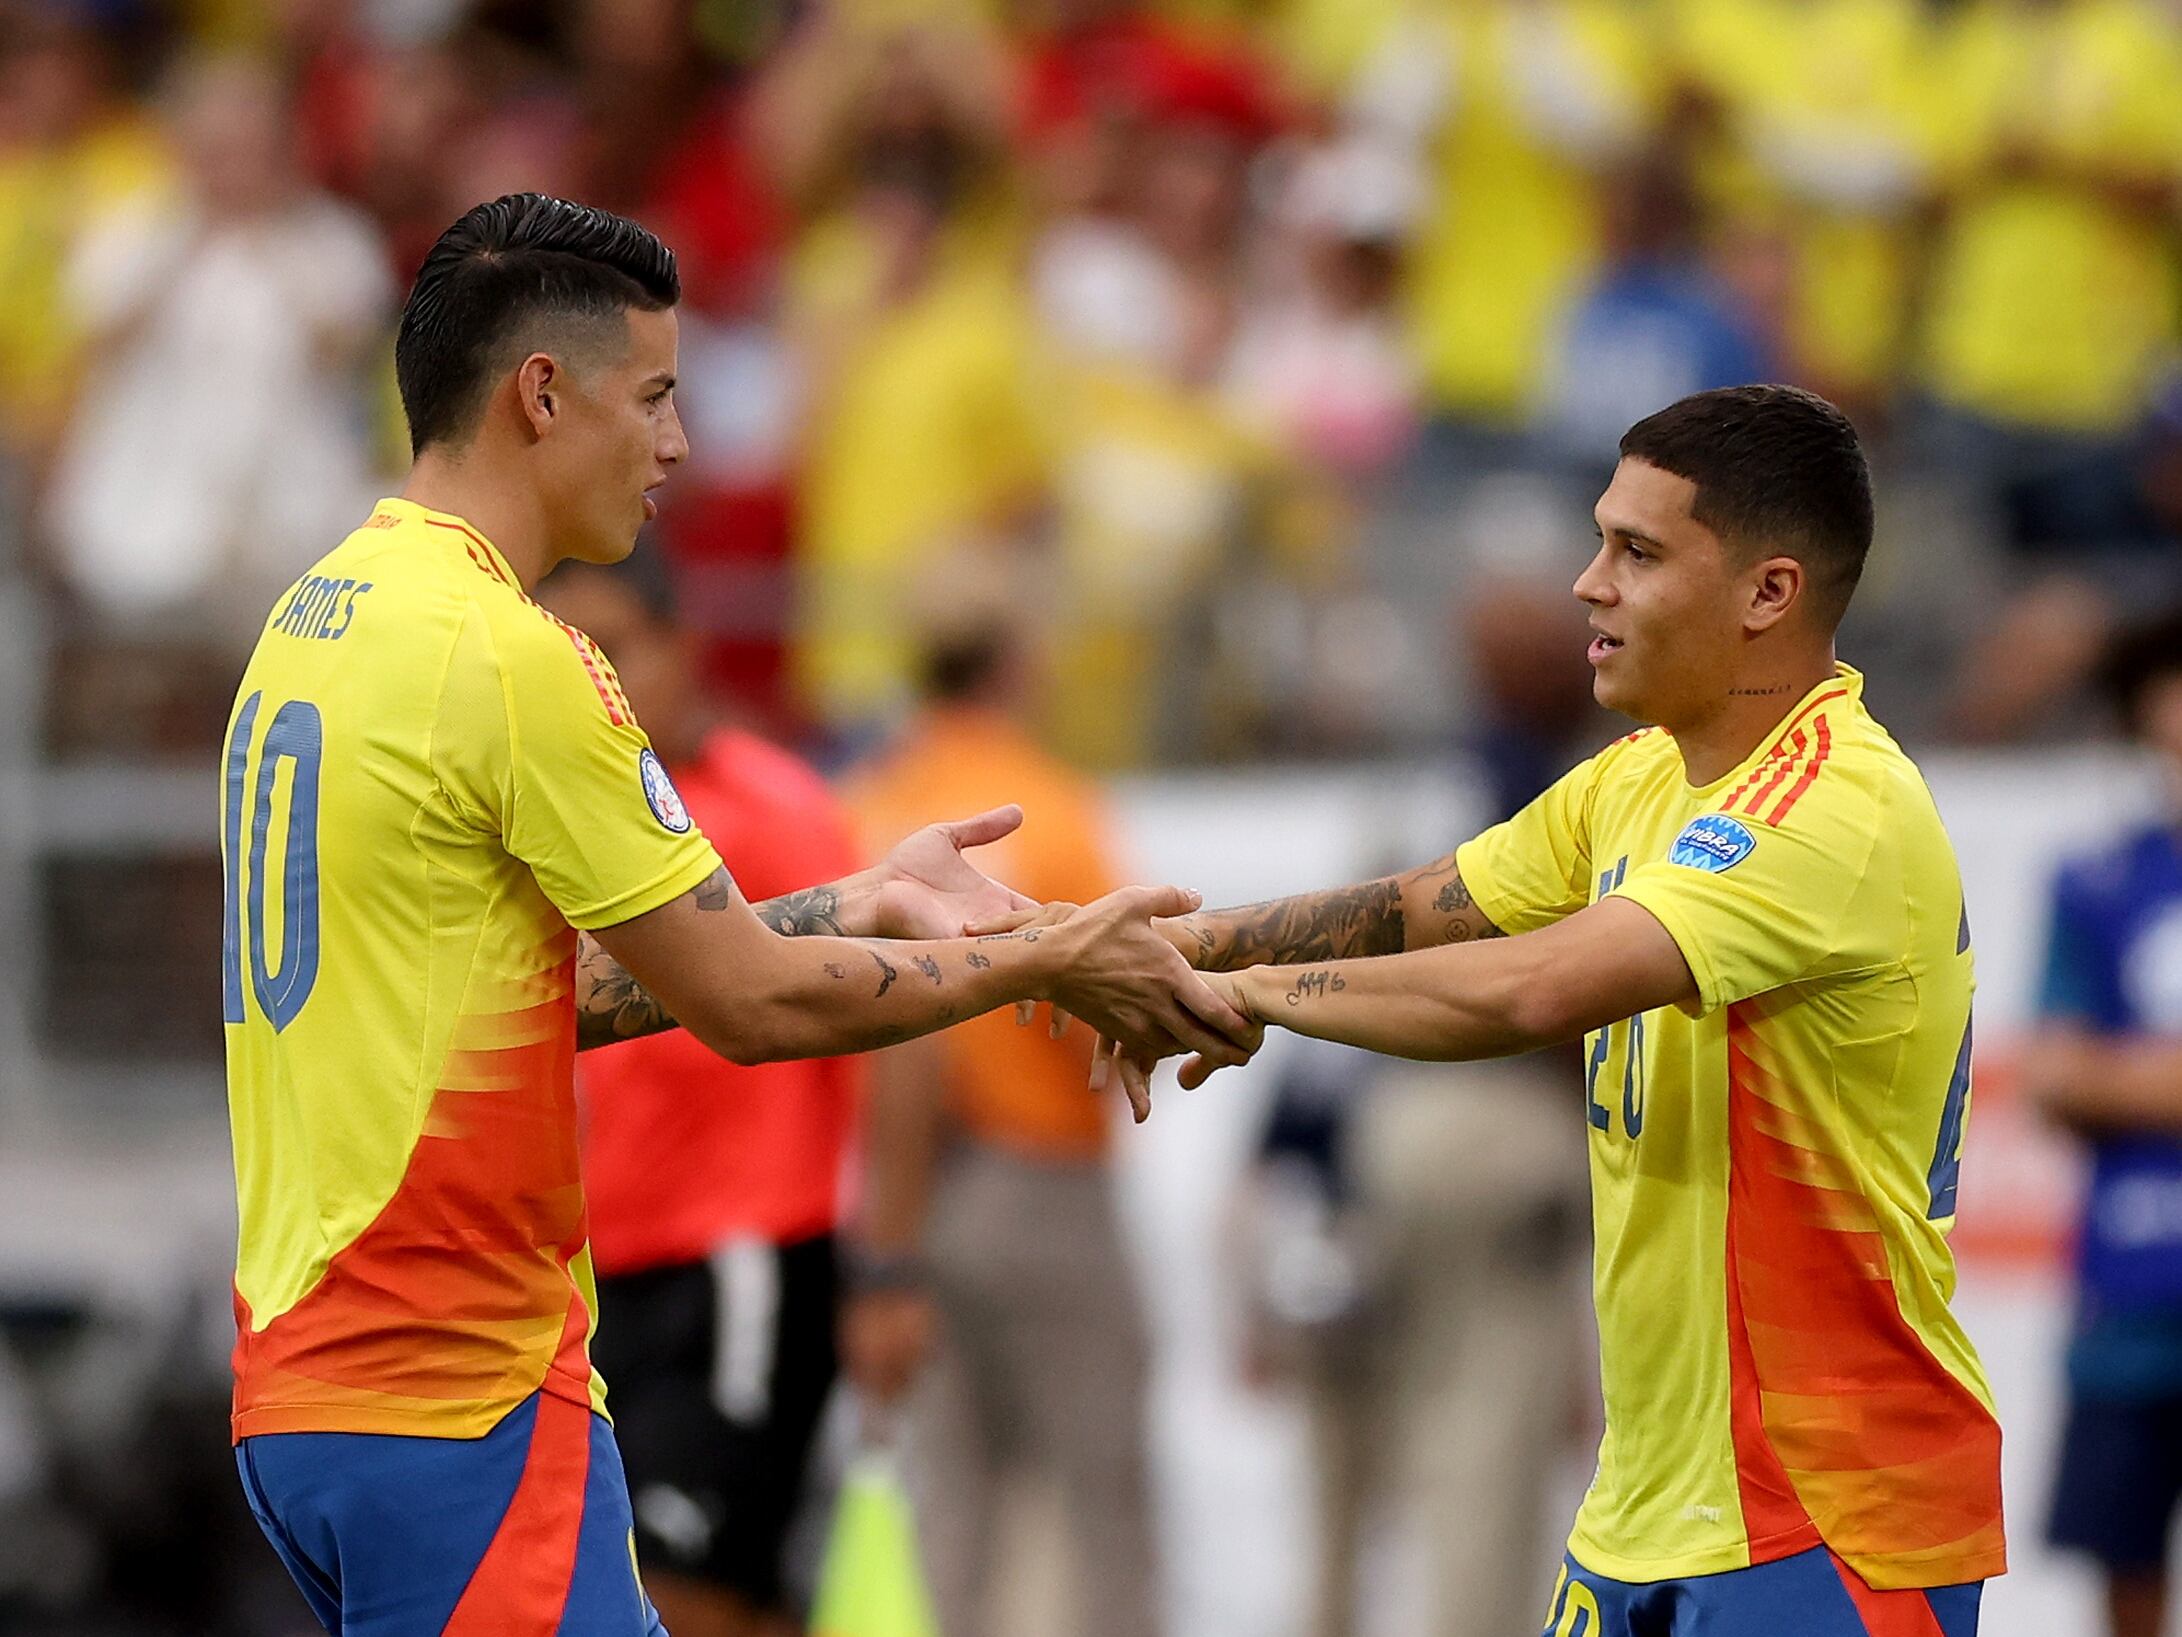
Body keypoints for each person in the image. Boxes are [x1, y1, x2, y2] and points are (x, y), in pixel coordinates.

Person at [219, 192, 1253, 1636]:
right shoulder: (514, 655)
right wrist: (1047, 954)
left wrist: (853, 898)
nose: (678, 446)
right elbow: (752, 1004)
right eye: (652, 397)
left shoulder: (309, 620)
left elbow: (501, 989)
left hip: (307, 1388)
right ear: (540, 393)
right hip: (455, 1385)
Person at [1051, 385, 2007, 1633]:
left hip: (1832, 1520)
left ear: (1768, 594)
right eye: (1599, 538)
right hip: (1647, 1513)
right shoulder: (1643, 774)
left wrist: (1238, 993)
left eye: (1637, 551)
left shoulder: (1836, 805)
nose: (1585, 583)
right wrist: (1177, 938)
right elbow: (1424, 904)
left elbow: (1536, 982)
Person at [537, 552, 860, 1637]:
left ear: (682, 650)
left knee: (688, 1591)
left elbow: (895, 1014)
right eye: (564, 655)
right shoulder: (557, 818)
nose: (592, 683)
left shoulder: (769, 808)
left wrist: (894, 1252)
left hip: (736, 1256)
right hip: (599, 1268)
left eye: (613, 651)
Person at [841, 579, 1160, 1637]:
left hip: (901, 1192)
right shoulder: (1048, 809)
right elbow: (1113, 1009)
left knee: (958, 1494)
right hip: (1041, 1176)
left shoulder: (860, 808)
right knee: (1098, 1483)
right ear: (1013, 665)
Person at [2019, 605, 2182, 1637]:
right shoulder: (2096, 879)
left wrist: (2126, 1076)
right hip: (2130, 1291)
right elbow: (2053, 1071)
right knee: (2120, 1564)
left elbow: (2089, 1067)